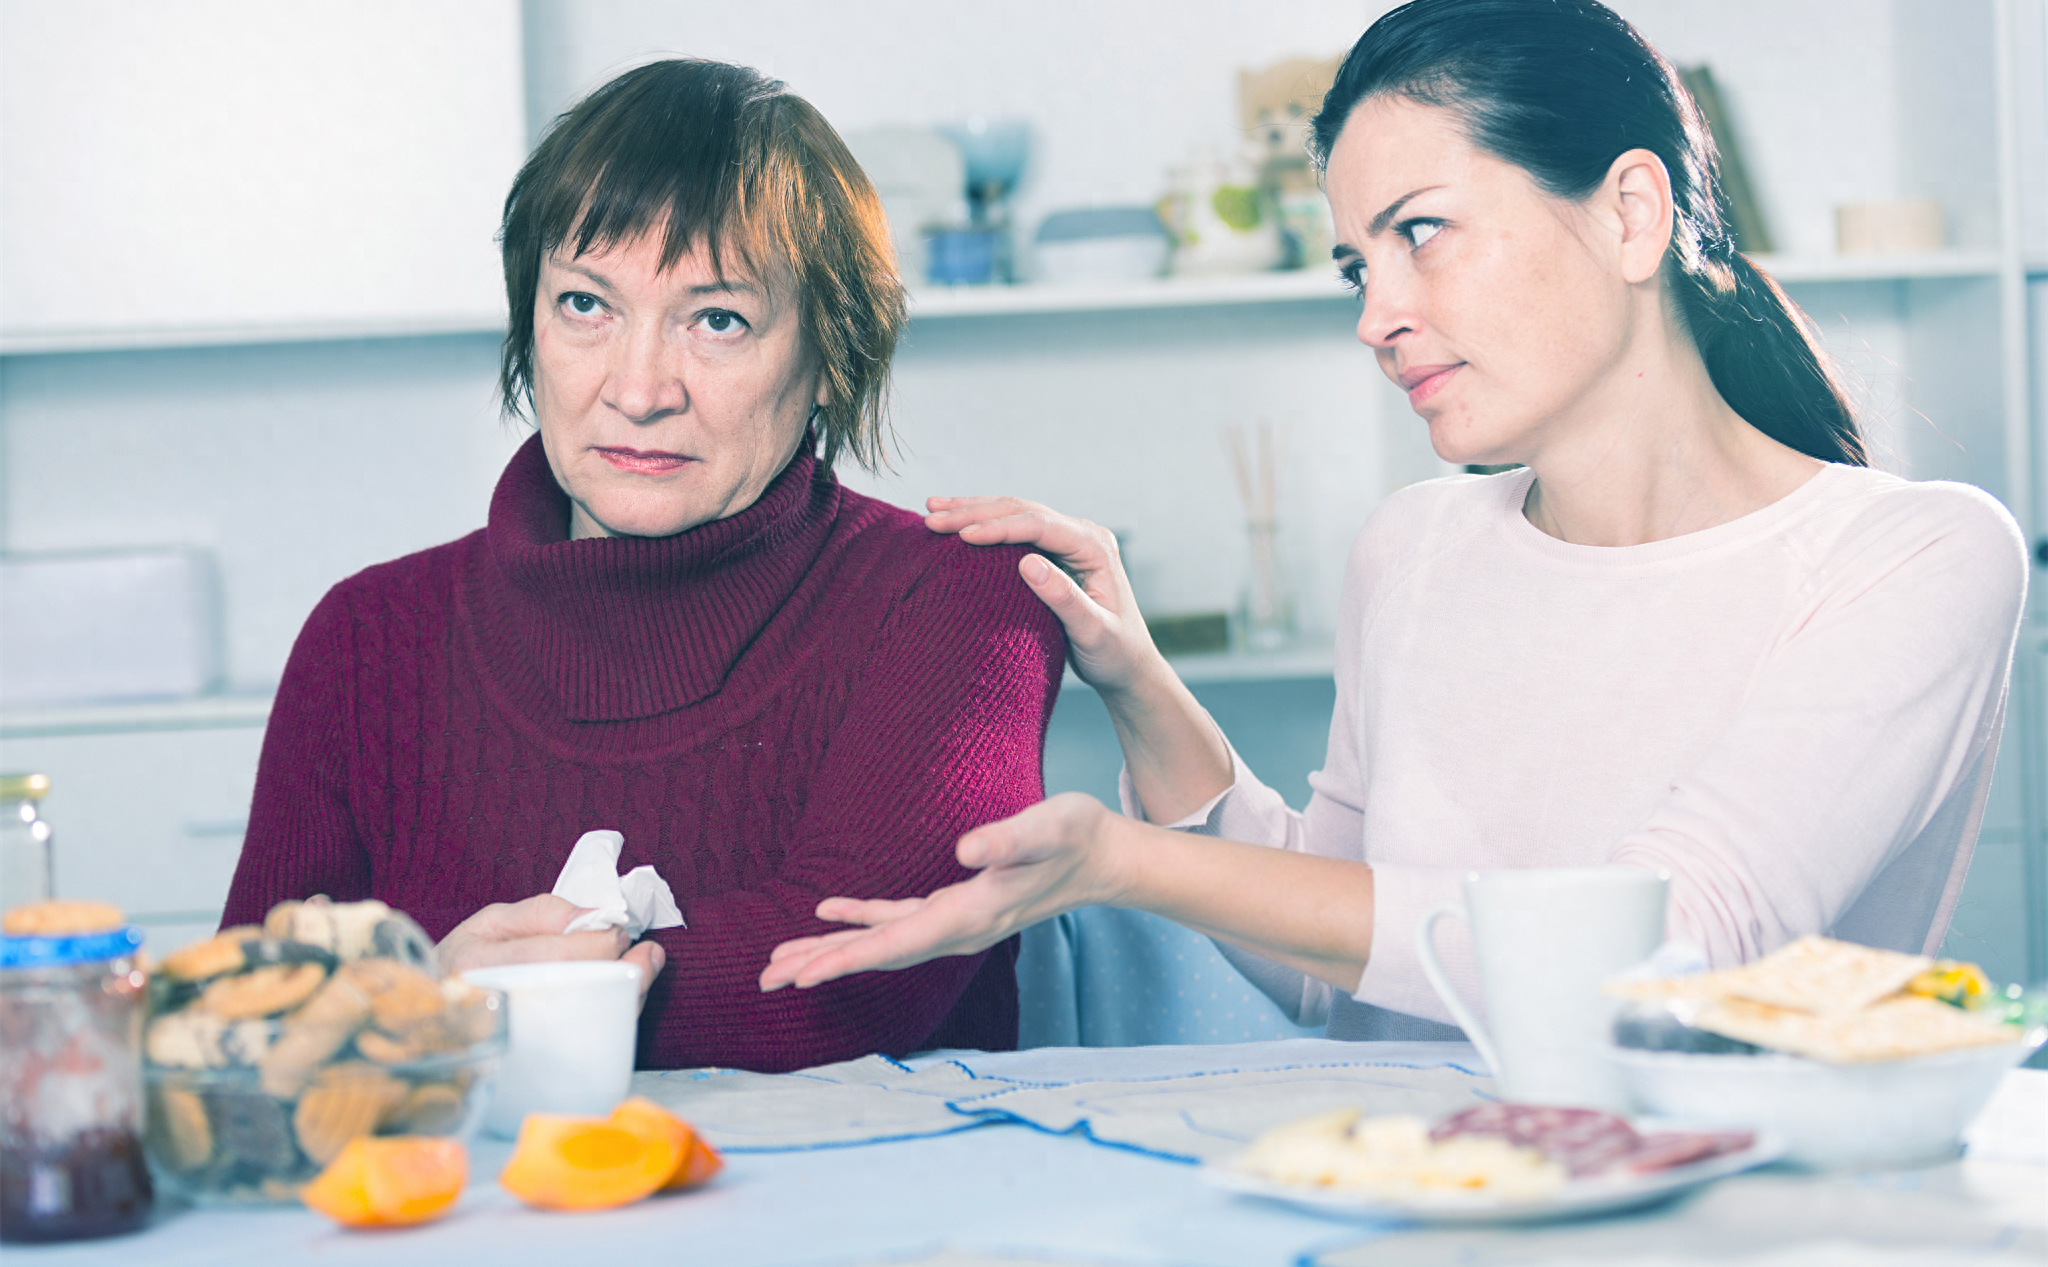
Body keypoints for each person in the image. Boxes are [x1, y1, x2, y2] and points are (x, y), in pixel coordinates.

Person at [762, 0, 2027, 1041]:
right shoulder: (1413, 548)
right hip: (1403, 1203)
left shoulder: (1912, 557)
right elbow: (1336, 961)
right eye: (1358, 265)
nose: (1376, 315)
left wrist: (1123, 862)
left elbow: (1665, 950)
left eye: (1422, 233)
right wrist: (1137, 681)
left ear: (1632, 212)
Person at [221, 59, 1065, 1071]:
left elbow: (841, 987)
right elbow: (245, 1023)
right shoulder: (366, 634)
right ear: (526, 322)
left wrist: (438, 1012)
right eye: (586, 304)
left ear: (833, 356)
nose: (637, 387)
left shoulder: (960, 599)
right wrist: (424, 993)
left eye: (718, 320)